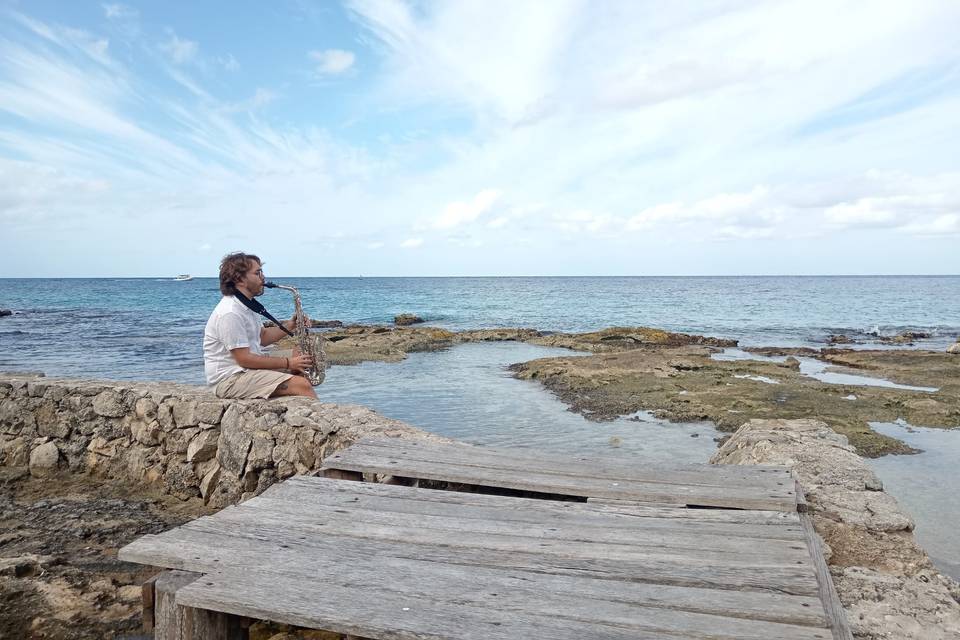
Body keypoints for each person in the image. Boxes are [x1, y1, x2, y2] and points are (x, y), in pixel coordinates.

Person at [203, 252, 317, 399]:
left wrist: (290, 325)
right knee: (302, 385)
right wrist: (289, 363)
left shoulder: (246, 304)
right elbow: (244, 359)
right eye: (258, 273)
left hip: (245, 370)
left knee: (300, 356)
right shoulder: (230, 312)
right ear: (240, 279)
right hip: (230, 379)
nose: (263, 277)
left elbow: (262, 337)